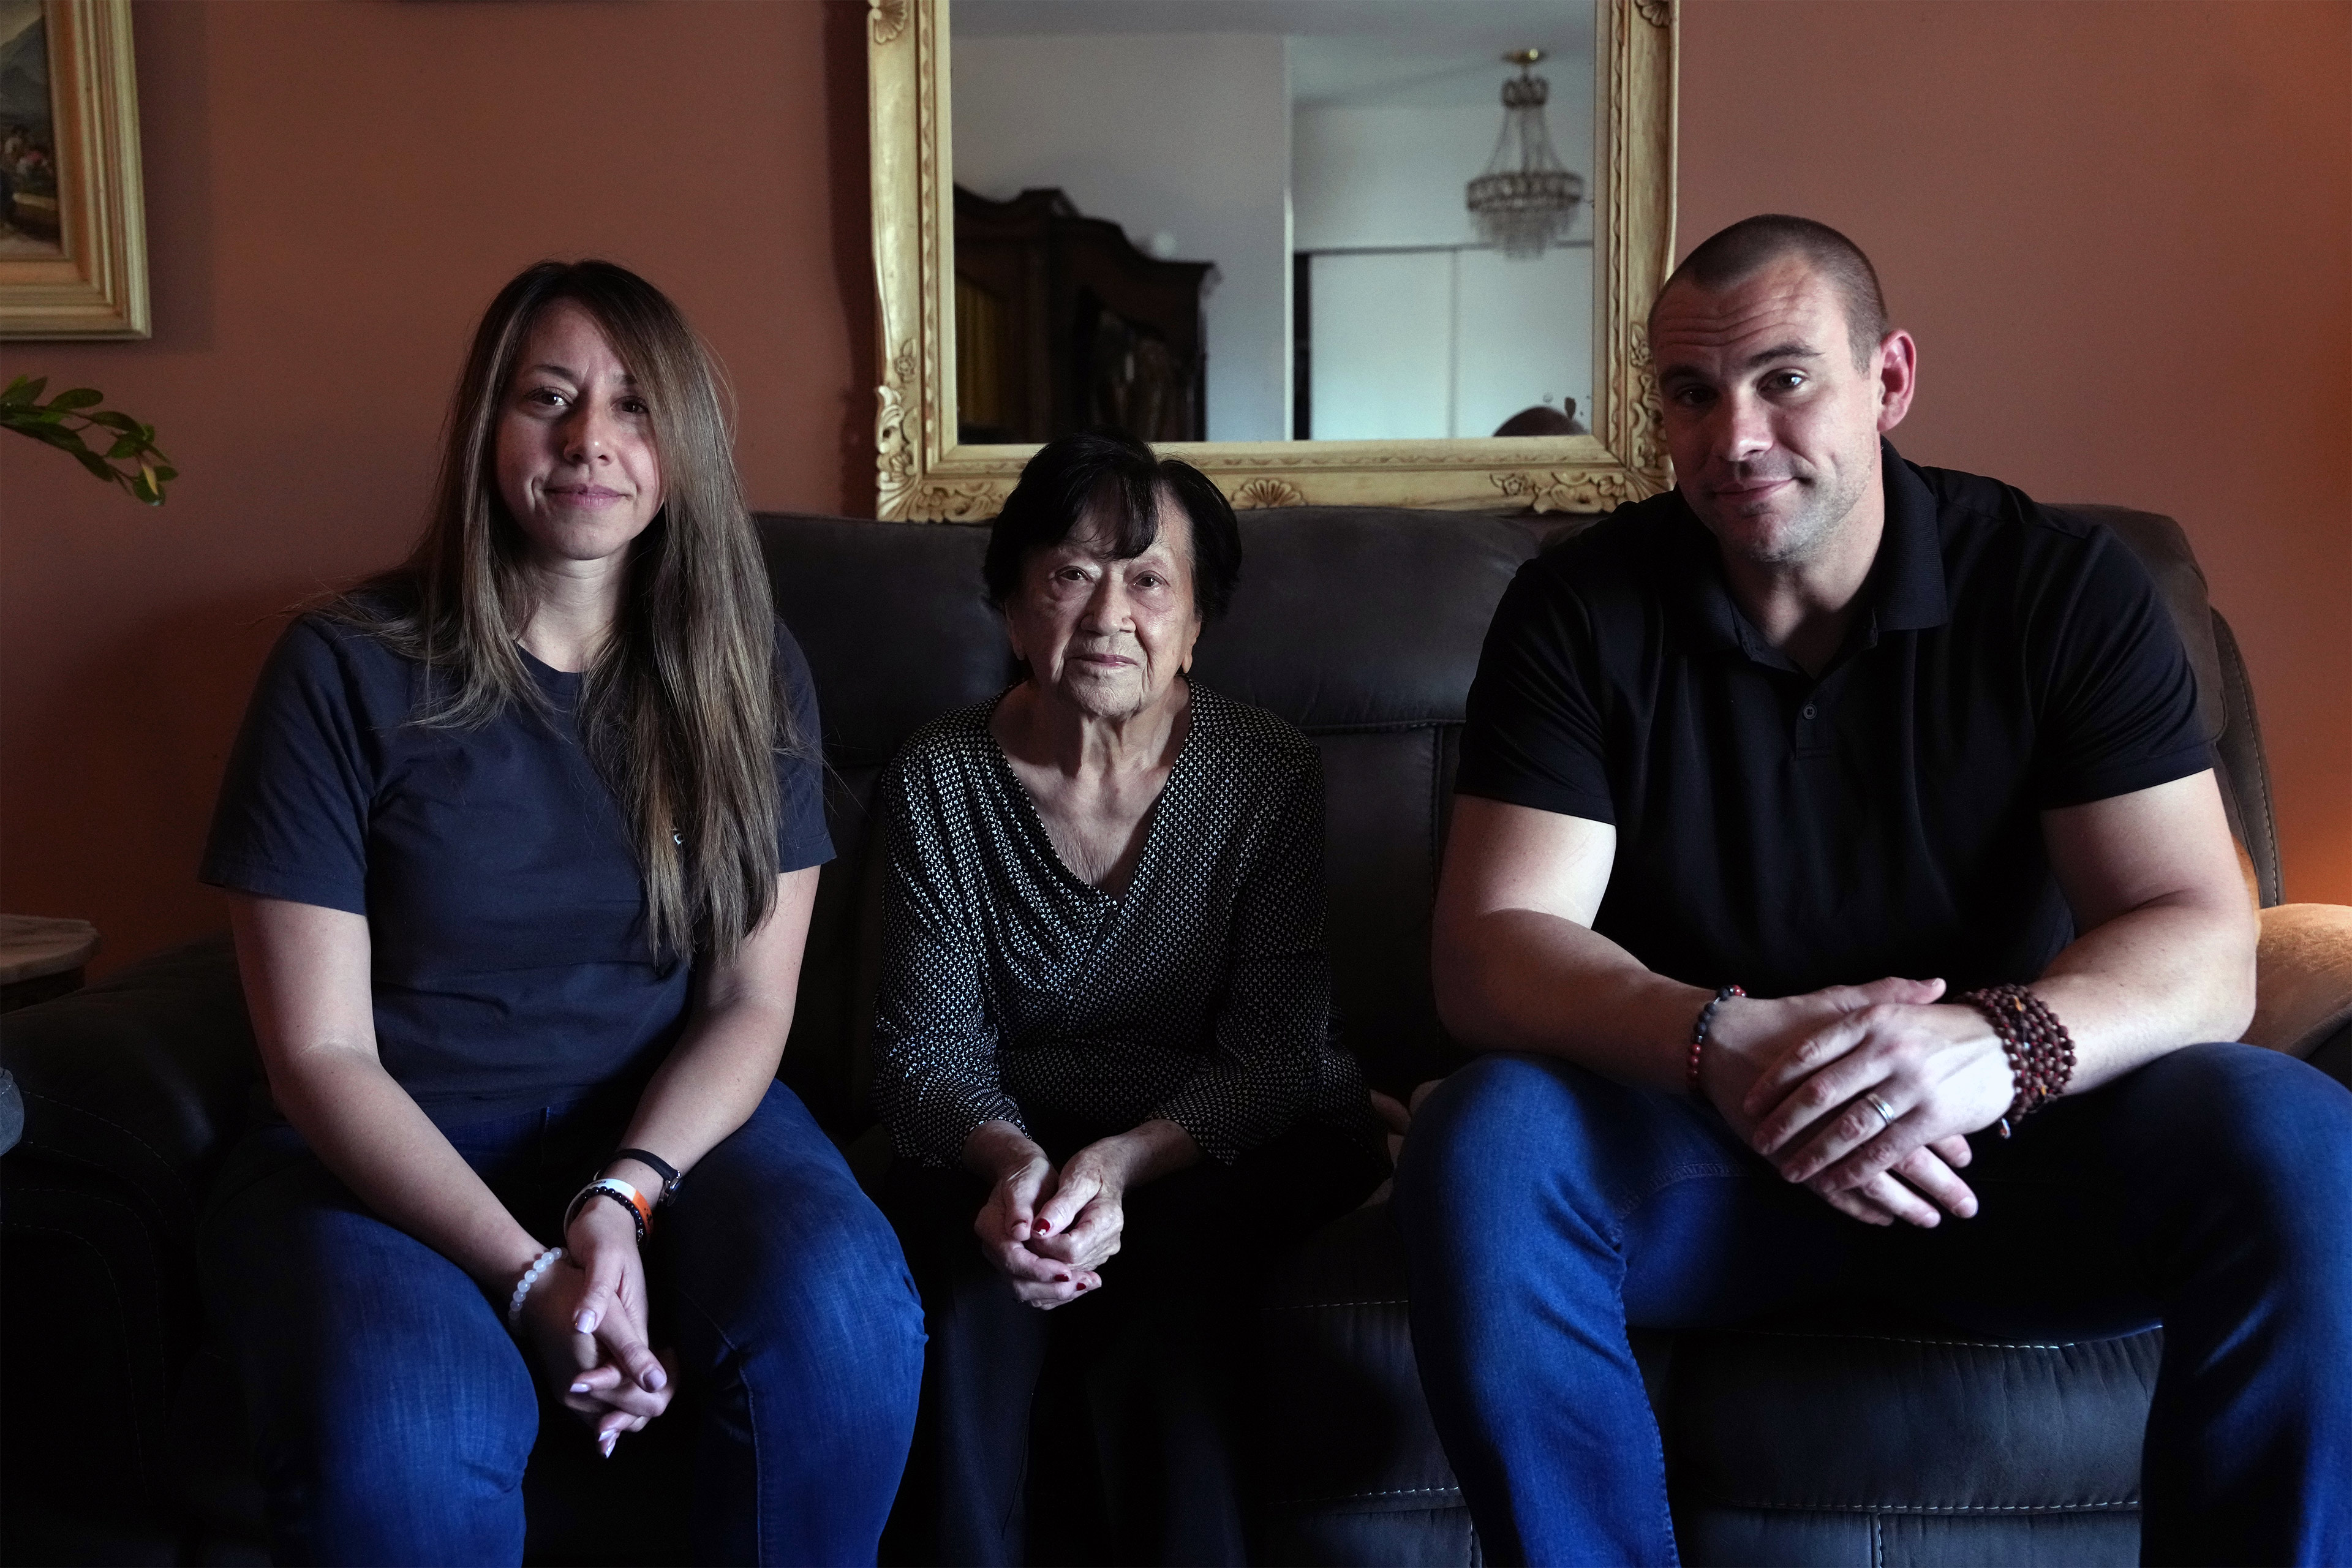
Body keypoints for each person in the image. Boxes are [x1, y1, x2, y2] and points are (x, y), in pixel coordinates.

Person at [1391, 214, 2352, 1564]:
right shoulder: (1581, 607)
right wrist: (1718, 1041)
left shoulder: (2062, 588)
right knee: (1488, 1137)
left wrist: (1996, 1047)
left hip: (2009, 1154)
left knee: (2297, 1132)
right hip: (1705, 1151)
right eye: (1691, 393)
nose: (1735, 436)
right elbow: (1494, 947)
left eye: (1784, 379)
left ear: (1888, 380)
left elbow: (2205, 938)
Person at [197, 260, 925, 1567]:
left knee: (850, 1318)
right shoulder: (342, 666)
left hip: (669, 1132)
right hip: (388, 1147)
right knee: (414, 1441)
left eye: (635, 406)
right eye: (549, 398)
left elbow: (750, 1001)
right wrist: (531, 1274)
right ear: (490, 429)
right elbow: (319, 1054)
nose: (591, 437)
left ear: (681, 449)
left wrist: (624, 1193)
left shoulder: (748, 671)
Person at [869, 428, 1385, 1566]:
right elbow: (923, 1055)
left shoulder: (1265, 771)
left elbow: (1274, 1057)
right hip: (1010, 1138)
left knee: (1171, 1295)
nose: (1110, 615)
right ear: (1014, 610)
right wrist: (1014, 1169)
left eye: (1149, 581)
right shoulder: (938, 776)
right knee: (966, 1295)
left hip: (1218, 1138)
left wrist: (1120, 1166)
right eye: (1070, 574)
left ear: (1197, 624)